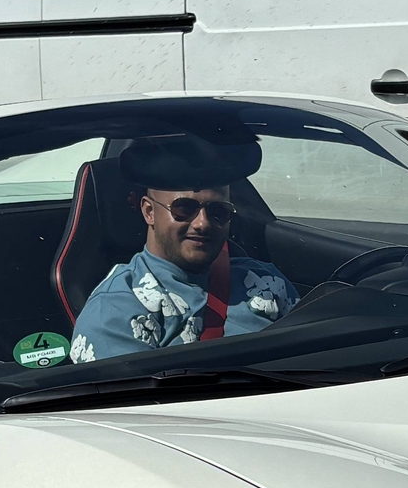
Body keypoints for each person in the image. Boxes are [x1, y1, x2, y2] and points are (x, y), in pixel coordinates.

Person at [69, 136, 299, 364]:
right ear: (149, 212)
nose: (202, 224)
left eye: (218, 211)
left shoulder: (266, 281)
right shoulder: (114, 312)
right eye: (184, 208)